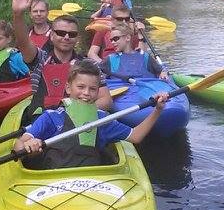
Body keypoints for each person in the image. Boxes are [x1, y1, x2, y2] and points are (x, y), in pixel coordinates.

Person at [13, 60, 169, 169]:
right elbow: (19, 144)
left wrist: (157, 110)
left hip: (91, 181)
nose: (86, 93)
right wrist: (29, 145)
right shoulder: (52, 117)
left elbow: (135, 136)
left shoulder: (102, 119)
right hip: (54, 180)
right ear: (68, 88)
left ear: (97, 92)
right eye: (80, 87)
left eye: (92, 89)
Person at [12, 0, 112, 115]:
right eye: (60, 33)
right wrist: (18, 15)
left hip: (74, 121)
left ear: (77, 39)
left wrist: (73, 112)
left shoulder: (89, 64)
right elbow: (23, 42)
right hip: (40, 121)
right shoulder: (39, 59)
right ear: (51, 36)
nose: (66, 37)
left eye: (72, 34)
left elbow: (106, 100)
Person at [100, 22, 167, 81]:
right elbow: (95, 72)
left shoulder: (145, 56)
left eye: (116, 39)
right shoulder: (110, 59)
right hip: (124, 92)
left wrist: (163, 73)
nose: (113, 42)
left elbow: (161, 71)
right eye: (111, 40)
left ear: (128, 38)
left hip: (146, 91)